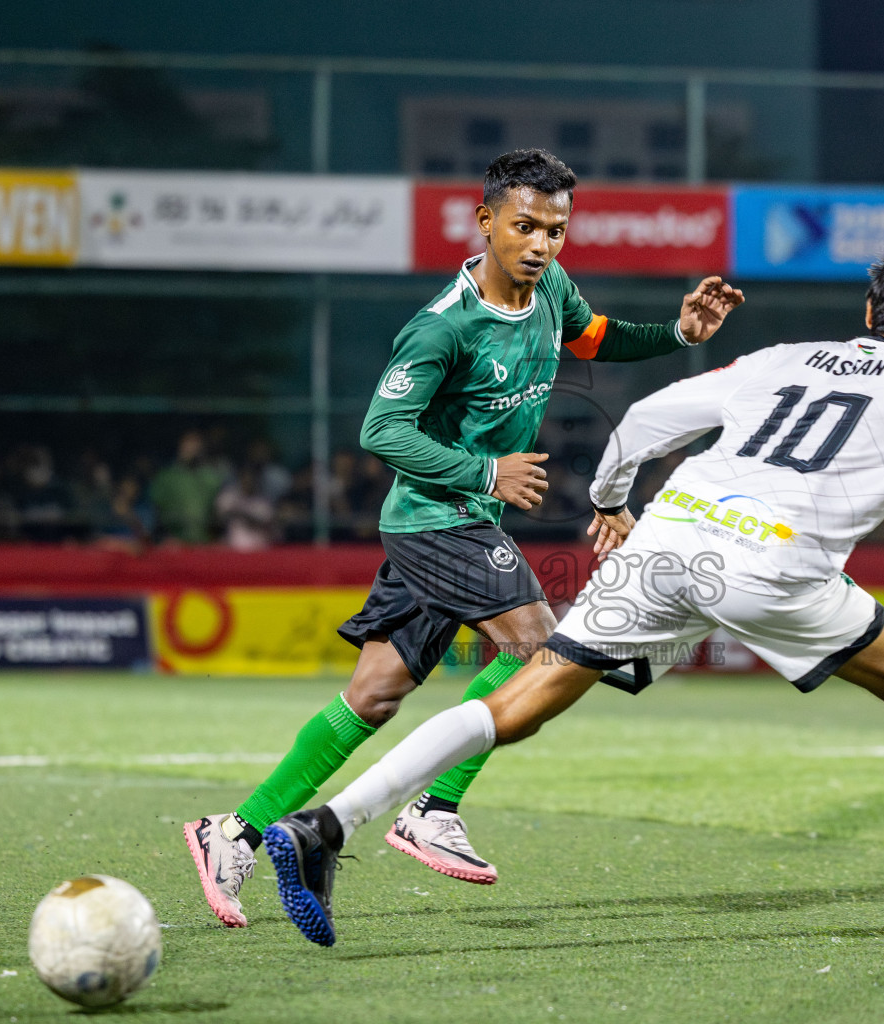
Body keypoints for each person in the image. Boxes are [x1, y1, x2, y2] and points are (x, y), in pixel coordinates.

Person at [258, 242, 884, 948]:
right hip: (781, 568)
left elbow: (652, 415)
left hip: (673, 538)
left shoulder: (783, 358)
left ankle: (326, 827)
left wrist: (614, 502)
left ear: (871, 309)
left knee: (515, 701)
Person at [183, 148, 745, 930]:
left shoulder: (550, 288)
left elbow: (594, 337)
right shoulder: (441, 329)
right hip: (440, 519)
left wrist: (679, 333)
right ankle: (433, 807)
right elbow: (381, 430)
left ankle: (233, 831)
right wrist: (485, 473)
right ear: (485, 223)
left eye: (555, 229)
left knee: (374, 697)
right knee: (539, 650)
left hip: (448, 523)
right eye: (524, 226)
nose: (542, 243)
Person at [149, 430, 223, 544]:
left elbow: (218, 513)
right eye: (189, 444)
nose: (193, 449)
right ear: (180, 446)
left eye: (196, 445)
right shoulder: (166, 477)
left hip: (204, 544)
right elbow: (155, 513)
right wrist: (162, 537)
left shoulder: (211, 478)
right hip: (173, 544)